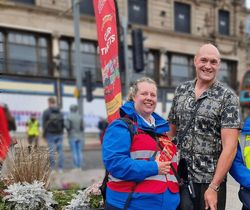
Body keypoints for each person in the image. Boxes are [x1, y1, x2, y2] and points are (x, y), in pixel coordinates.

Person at [168, 43, 240, 210]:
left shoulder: (228, 97)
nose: (208, 66)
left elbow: (230, 147)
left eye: (213, 62)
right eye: (204, 60)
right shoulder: (181, 90)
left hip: (209, 183)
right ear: (195, 61)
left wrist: (214, 187)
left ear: (219, 65)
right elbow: (170, 135)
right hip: (181, 180)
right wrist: (170, 171)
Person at [102, 77, 179, 210]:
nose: (149, 98)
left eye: (153, 95)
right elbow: (115, 163)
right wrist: (153, 167)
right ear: (134, 97)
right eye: (144, 94)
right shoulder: (121, 126)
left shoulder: (162, 131)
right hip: (131, 204)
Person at [42, 97, 64, 172]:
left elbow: (44, 124)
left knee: (51, 151)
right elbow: (63, 123)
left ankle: (53, 169)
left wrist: (44, 135)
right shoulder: (60, 112)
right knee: (60, 151)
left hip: (50, 134)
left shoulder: (46, 112)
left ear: (49, 102)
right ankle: (61, 168)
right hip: (59, 134)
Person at [65, 104, 84, 170]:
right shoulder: (80, 117)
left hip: (72, 136)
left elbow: (67, 127)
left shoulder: (69, 117)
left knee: (74, 152)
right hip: (79, 136)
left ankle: (76, 167)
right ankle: (80, 166)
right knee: (79, 151)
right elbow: (82, 127)